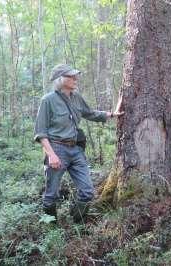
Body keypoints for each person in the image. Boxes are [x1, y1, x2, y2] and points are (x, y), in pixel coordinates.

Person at [34, 64, 123, 223]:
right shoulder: (47, 100)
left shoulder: (76, 97)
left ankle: (77, 224)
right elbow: (41, 133)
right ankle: (52, 228)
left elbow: (90, 113)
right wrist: (51, 155)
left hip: (75, 149)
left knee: (87, 191)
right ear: (60, 79)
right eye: (71, 76)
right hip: (56, 149)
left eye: (76, 76)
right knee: (51, 195)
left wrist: (111, 114)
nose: (75, 79)